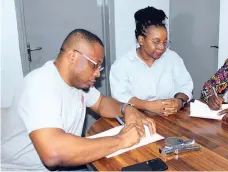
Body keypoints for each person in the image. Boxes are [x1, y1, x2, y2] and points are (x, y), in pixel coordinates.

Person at [1, 29, 156, 170]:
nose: (97, 74)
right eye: (94, 65)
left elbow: (101, 103)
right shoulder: (39, 85)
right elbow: (53, 154)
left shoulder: (77, 83)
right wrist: (120, 140)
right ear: (72, 56)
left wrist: (127, 109)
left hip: (66, 163)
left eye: (99, 68)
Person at [110, 6, 193, 116]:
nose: (161, 47)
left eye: (164, 42)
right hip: (136, 118)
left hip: (170, 118)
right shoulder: (122, 65)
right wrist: (148, 106)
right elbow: (120, 98)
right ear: (141, 40)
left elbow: (185, 86)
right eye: (156, 41)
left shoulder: (172, 58)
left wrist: (179, 101)